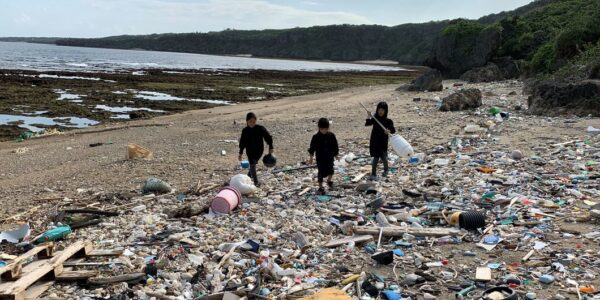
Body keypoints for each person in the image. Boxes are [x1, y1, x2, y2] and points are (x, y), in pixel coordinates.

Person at [239, 112, 273, 186]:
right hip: (249, 151)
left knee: (253, 164)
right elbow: (242, 142)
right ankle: (256, 182)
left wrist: (271, 147)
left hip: (259, 150)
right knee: (252, 164)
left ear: (256, 121)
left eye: (254, 122)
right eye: (250, 122)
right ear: (247, 121)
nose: (252, 123)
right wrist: (240, 152)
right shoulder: (245, 131)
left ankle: (248, 177)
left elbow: (268, 137)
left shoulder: (260, 128)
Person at [365, 101, 396, 180]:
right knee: (375, 158)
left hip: (383, 142)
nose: (380, 111)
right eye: (379, 109)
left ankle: (386, 170)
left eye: (382, 110)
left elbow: (393, 130)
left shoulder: (388, 121)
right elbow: (367, 123)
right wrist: (369, 116)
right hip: (375, 142)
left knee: (384, 158)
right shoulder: (375, 118)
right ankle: (373, 173)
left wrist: (388, 130)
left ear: (385, 111)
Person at [308, 118, 339, 195]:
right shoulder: (315, 137)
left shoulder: (331, 135)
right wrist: (311, 158)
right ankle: (321, 187)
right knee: (321, 172)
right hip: (320, 158)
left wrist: (336, 155)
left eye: (326, 129)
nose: (324, 131)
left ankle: (329, 181)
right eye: (322, 129)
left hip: (329, 156)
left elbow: (335, 146)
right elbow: (312, 148)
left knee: (331, 170)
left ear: (328, 128)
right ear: (319, 128)